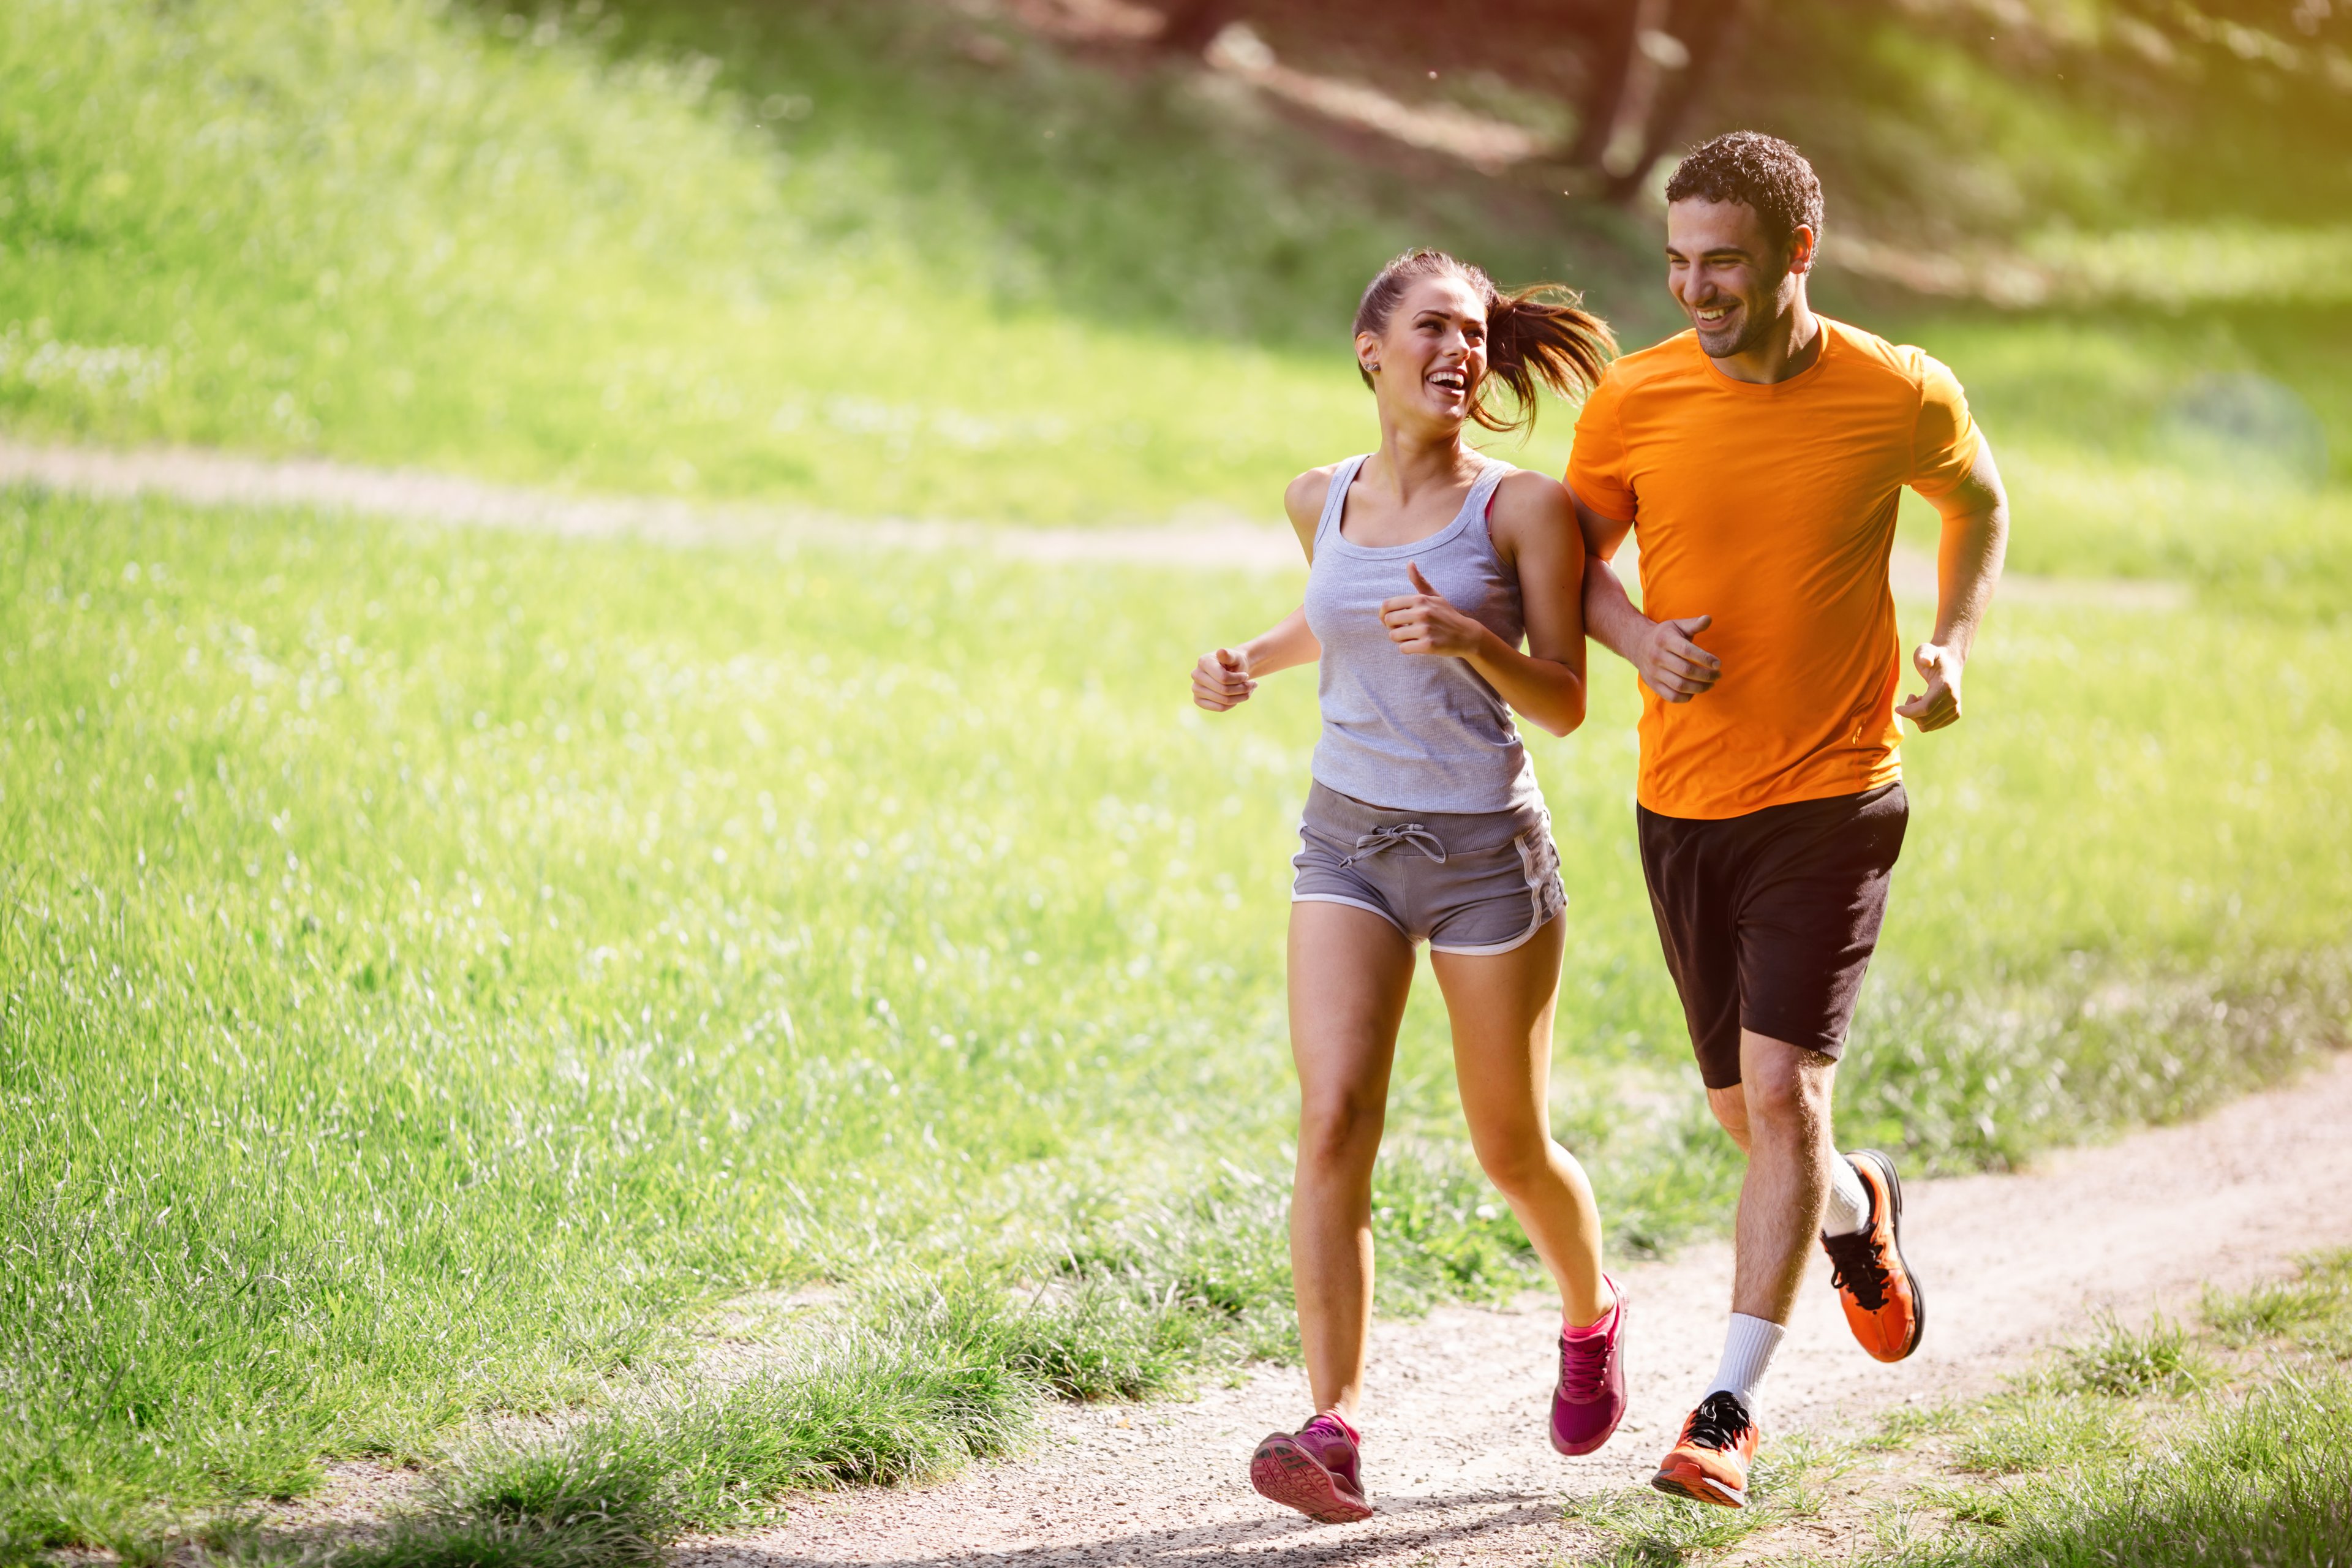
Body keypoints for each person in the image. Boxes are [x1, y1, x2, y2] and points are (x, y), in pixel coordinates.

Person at [1566, 132, 2011, 1509]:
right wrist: (1637, 633)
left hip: (1836, 790)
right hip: (1682, 798)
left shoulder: (1894, 388)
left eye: (1726, 264)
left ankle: (1728, 1408)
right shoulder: (1635, 399)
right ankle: (1853, 1210)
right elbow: (1571, 563)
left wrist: (1951, 647)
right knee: (1743, 1114)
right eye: (1679, 262)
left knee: (1780, 1093)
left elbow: (1978, 502)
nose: (1697, 288)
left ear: (1796, 254)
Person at [1192, 249, 1624, 1525]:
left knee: (1510, 1146)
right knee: (1332, 1118)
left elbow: (1567, 701)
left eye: (1479, 334)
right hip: (1349, 842)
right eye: (1436, 326)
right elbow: (1339, 612)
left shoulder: (1522, 511)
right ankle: (1336, 1425)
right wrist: (1250, 660)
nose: (1462, 350)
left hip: (1489, 856)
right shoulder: (1316, 496)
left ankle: (1592, 1312)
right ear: (1370, 346)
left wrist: (1477, 641)